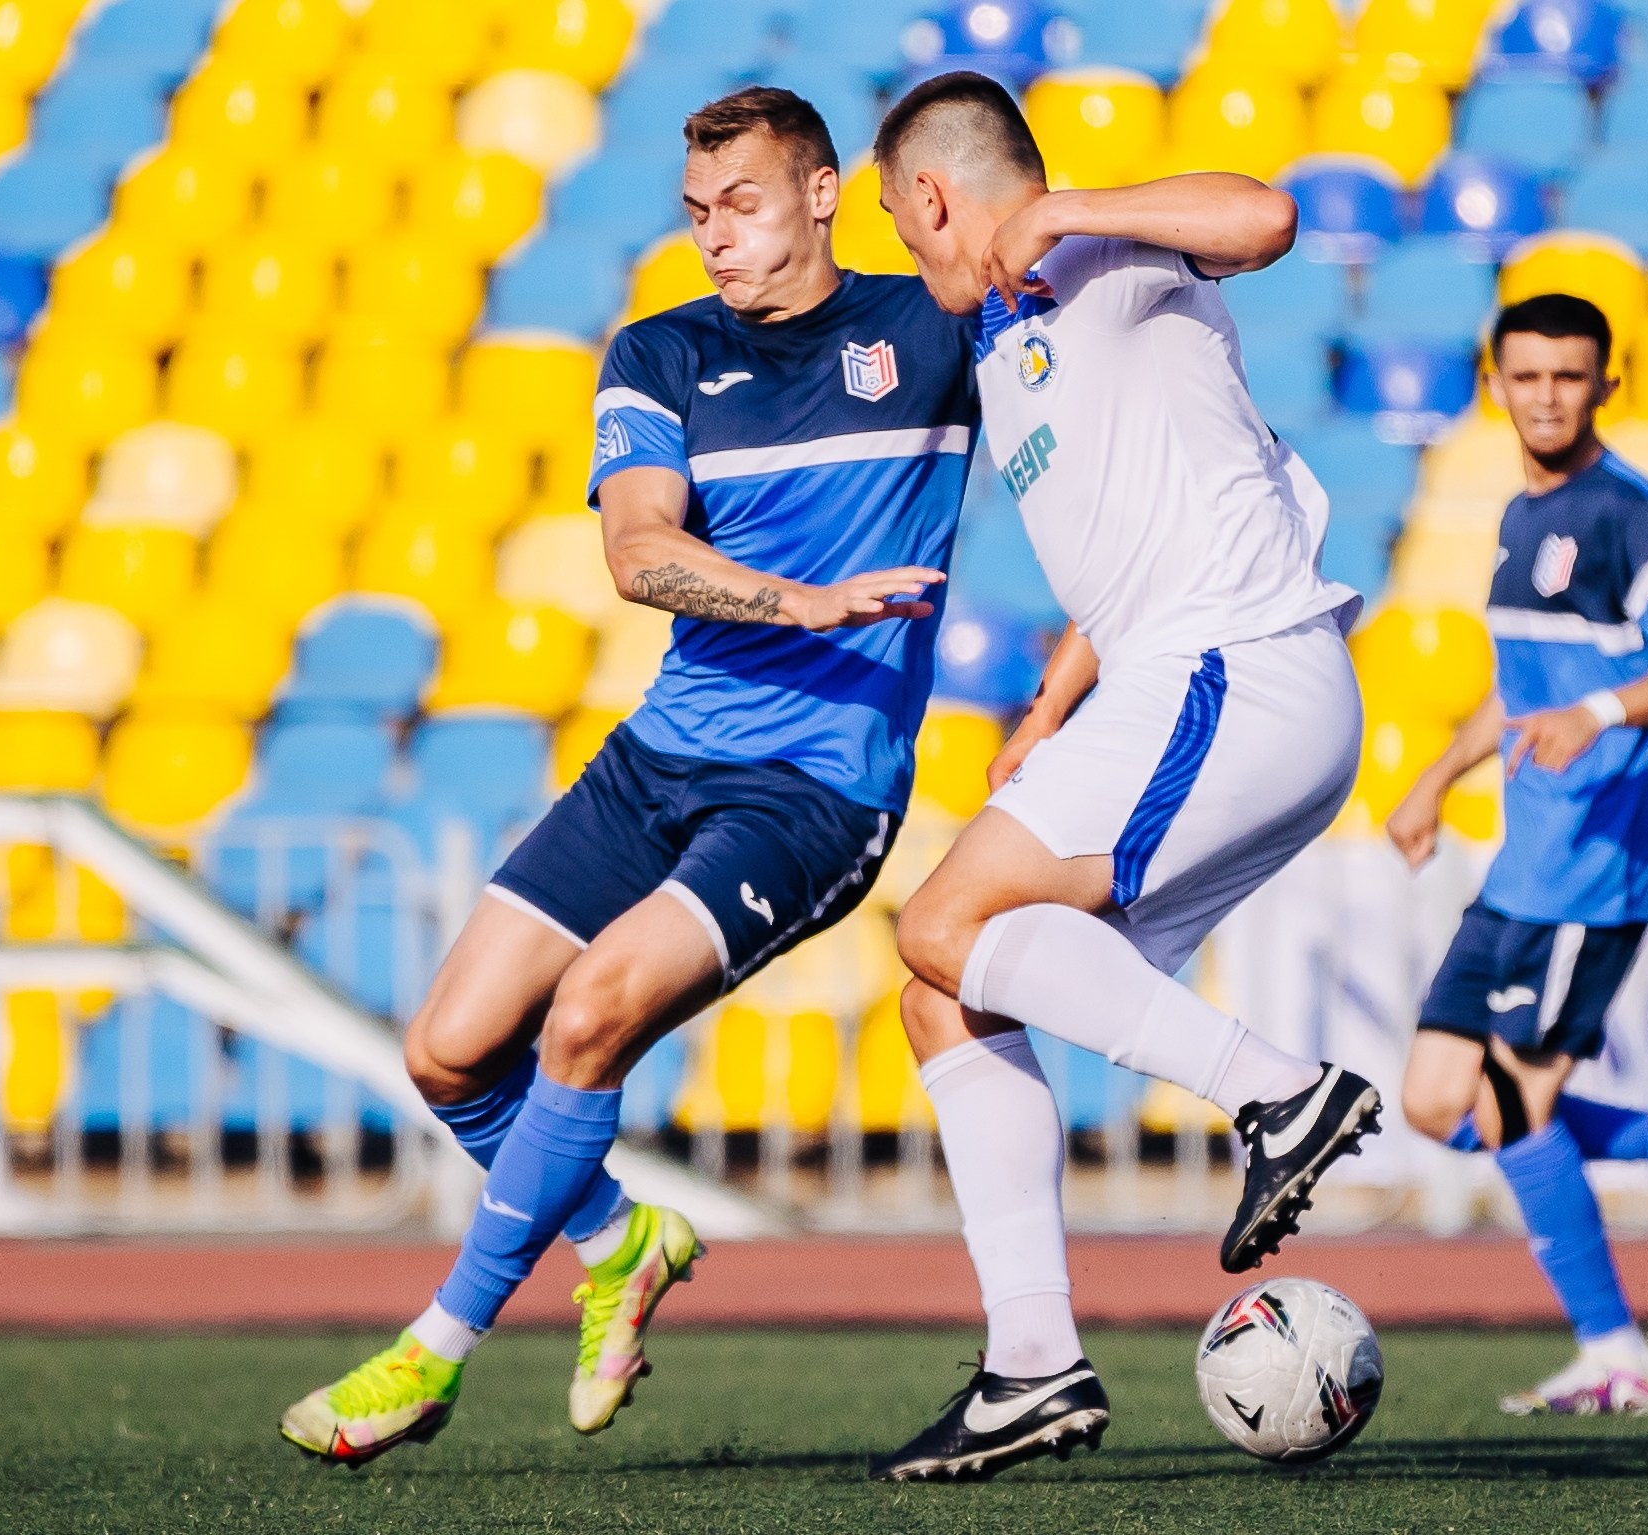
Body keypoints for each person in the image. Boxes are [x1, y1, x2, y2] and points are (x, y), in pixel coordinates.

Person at [279, 86, 981, 1464]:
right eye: (697, 211)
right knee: (443, 1049)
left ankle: (430, 1352)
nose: (715, 237)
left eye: (745, 204)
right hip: (659, 754)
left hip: (817, 787)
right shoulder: (660, 351)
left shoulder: (928, 325)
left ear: (825, 192)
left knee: (588, 1013)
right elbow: (636, 550)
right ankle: (619, 1232)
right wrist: (804, 599)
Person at [865, 72, 1382, 1482]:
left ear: (930, 200)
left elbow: (1267, 213)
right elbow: (1131, 543)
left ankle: (1279, 1093)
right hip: (1176, 683)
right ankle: (1030, 1361)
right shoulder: (1004, 341)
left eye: (914, 242)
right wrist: (1047, 707)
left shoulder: (1103, 251)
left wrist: (1059, 212)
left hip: (1238, 668)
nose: (923, 271)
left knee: (934, 919)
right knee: (941, 994)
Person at [1385, 293, 1648, 1418]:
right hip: (1522, 864)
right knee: (1430, 1100)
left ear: (1606, 383)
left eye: (1569, 376)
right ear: (1493, 382)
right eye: (1527, 375)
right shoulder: (1520, 514)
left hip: (1592, 870)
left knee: (1508, 1102)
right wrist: (1434, 777)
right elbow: (1519, 691)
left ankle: (1618, 1353)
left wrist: (1602, 711)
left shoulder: (1625, 517)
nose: (1547, 394)